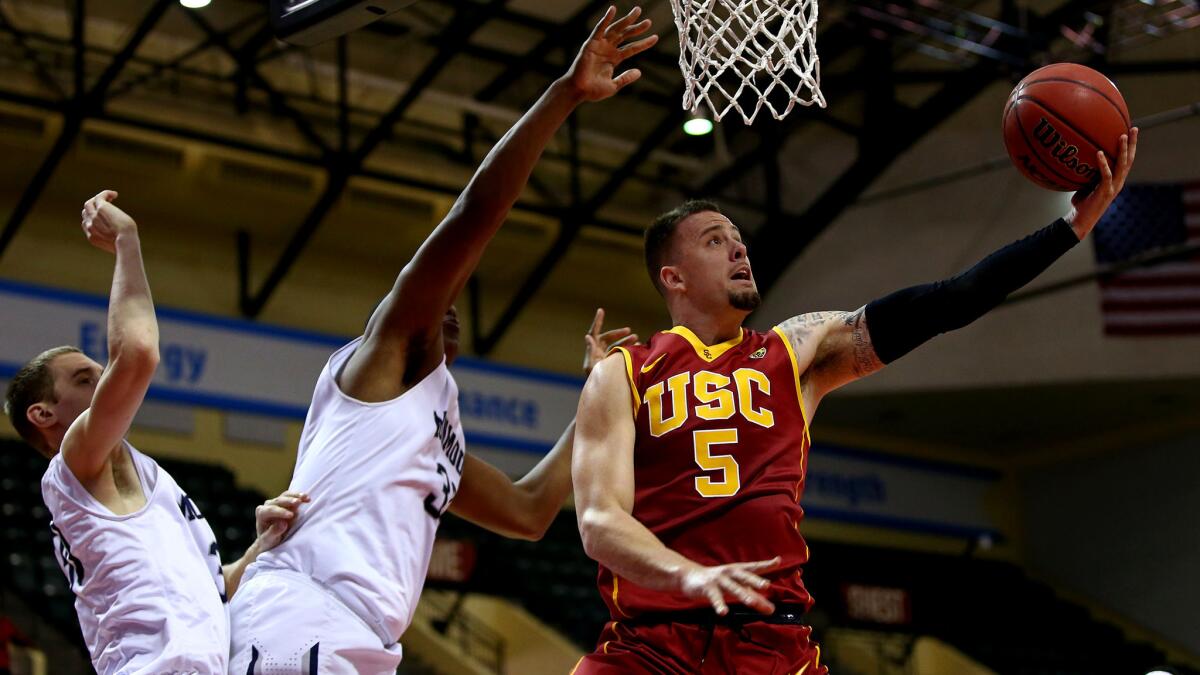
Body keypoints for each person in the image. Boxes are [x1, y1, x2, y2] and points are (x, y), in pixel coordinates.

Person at [571, 131, 1140, 674]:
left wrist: (1069, 228)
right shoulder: (623, 374)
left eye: (738, 237)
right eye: (715, 240)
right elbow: (599, 521)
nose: (739, 247)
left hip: (772, 646)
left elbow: (947, 302)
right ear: (673, 276)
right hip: (649, 646)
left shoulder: (796, 351)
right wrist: (687, 576)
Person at [226, 7, 655, 673]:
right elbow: (475, 214)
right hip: (300, 613)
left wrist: (600, 393)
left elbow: (530, 510)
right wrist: (563, 93)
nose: (446, 303)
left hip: (361, 635)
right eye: (438, 295)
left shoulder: (436, 420)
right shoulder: (383, 357)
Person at [1, 191, 307, 674]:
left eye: (101, 372)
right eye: (85, 379)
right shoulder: (74, 467)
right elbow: (138, 353)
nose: (103, 380)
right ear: (43, 415)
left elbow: (210, 593)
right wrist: (127, 241)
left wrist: (258, 548)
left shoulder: (146, 476)